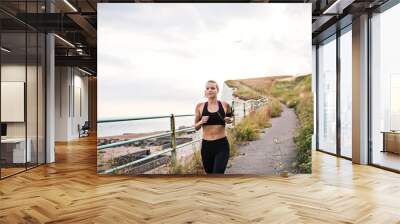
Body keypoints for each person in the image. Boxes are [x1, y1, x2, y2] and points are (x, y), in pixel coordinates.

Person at [194, 80, 233, 174]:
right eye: (207, 88)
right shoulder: (200, 106)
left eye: (212, 88)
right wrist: (201, 122)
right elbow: (196, 127)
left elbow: (231, 118)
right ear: (205, 91)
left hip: (222, 145)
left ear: (217, 90)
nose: (210, 90)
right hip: (206, 146)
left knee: (218, 173)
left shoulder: (225, 105)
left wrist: (229, 120)